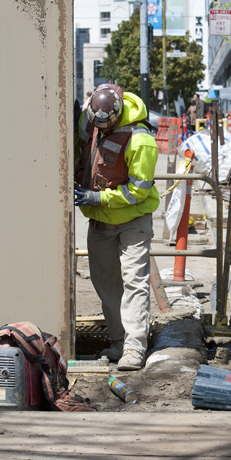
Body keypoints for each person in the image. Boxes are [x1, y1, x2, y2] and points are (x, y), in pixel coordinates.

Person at [74, 84, 159, 371]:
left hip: (132, 220)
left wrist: (98, 196)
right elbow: (78, 148)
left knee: (134, 281)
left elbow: (139, 192)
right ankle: (120, 341)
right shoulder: (90, 121)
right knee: (106, 282)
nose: (102, 130)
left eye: (107, 125)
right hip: (100, 220)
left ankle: (135, 347)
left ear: (118, 114)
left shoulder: (140, 139)